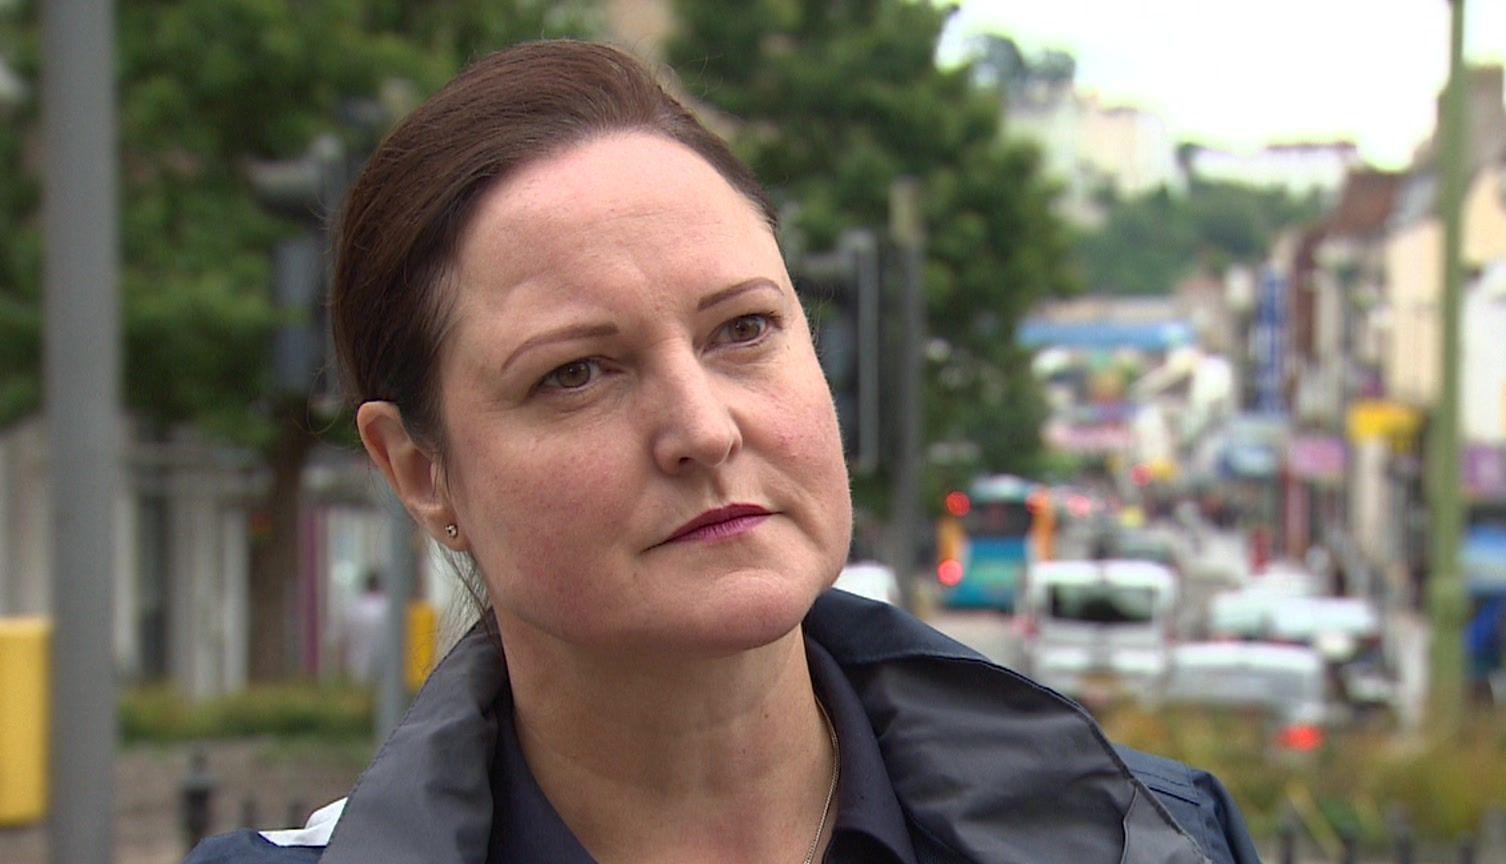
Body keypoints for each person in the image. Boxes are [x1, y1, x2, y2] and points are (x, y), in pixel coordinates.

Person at [187, 41, 1259, 864]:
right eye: (577, 373)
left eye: (743, 330)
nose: (703, 429)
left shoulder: (1154, 838)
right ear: (420, 472)